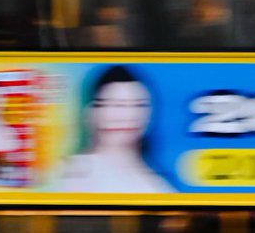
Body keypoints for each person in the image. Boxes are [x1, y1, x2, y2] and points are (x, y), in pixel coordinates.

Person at [52, 65, 173, 193]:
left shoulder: (154, 174)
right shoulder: (75, 171)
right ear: (89, 111)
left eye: (139, 104)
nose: (128, 115)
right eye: (116, 105)